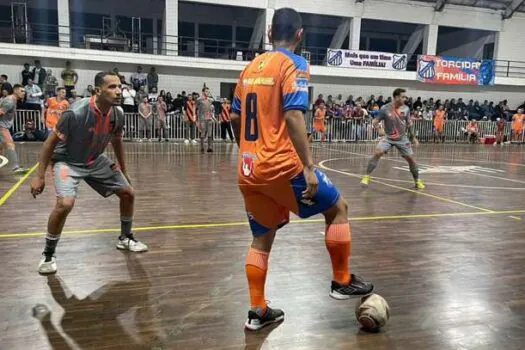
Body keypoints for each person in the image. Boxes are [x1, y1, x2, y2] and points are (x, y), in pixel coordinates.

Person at [230, 7, 373, 331]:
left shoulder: (249, 68)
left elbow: (236, 117)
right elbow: (295, 115)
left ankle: (258, 310)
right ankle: (341, 280)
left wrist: (250, 152)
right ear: (299, 34)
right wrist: (308, 166)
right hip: (281, 166)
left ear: (269, 34)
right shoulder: (295, 64)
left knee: (262, 237)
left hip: (249, 170)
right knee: (338, 208)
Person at [30, 72, 148, 275]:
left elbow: (117, 141)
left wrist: (124, 171)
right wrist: (39, 175)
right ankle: (48, 255)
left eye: (119, 86)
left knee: (128, 192)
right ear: (97, 91)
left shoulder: (117, 113)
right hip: (68, 162)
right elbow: (49, 143)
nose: (118, 91)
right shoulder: (76, 113)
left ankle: (125, 237)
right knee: (65, 204)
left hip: (94, 159)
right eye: (112, 87)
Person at [361, 88, 425, 190]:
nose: (405, 99)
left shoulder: (406, 109)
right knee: (378, 153)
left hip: (402, 138)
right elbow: (375, 121)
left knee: (411, 160)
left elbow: (409, 125)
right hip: (388, 137)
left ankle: (417, 181)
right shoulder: (385, 108)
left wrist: (413, 137)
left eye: (405, 97)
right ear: (396, 97)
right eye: (403, 97)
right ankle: (366, 176)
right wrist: (379, 130)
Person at [0, 85, 30, 174]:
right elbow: (1, 112)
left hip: (3, 126)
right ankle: (15, 167)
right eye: (22, 91)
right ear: (15, 91)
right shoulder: (10, 101)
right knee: (10, 145)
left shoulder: (12, 100)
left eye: (24, 91)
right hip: (1, 127)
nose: (24, 93)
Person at [196, 87, 216, 153]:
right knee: (203, 133)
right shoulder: (199, 99)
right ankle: (202, 147)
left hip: (209, 118)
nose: (207, 92)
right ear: (203, 92)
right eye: (206, 91)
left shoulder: (210, 99)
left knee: (210, 133)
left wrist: (210, 94)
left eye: (208, 91)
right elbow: (196, 107)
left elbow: (214, 99)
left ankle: (209, 147)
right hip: (202, 118)